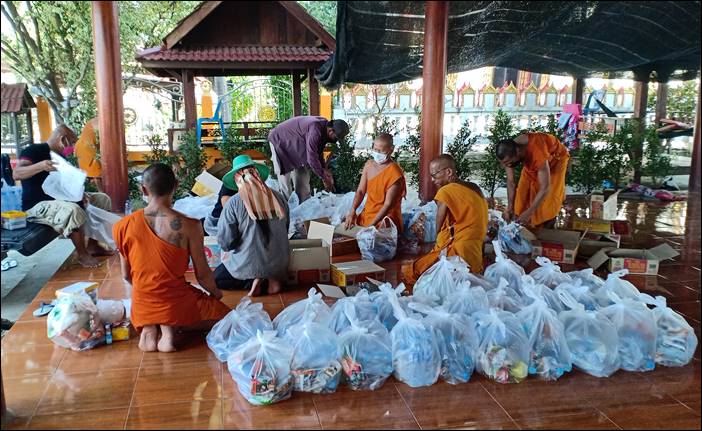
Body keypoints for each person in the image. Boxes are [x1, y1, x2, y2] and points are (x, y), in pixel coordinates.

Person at [113, 163, 229, 353]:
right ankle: (169, 329)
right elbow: (202, 274)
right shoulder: (191, 226)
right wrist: (215, 294)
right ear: (175, 186)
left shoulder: (123, 226)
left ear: (144, 189)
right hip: (176, 301)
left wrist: (151, 290)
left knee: (151, 302)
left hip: (143, 302)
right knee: (226, 316)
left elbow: (126, 276)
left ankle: (151, 327)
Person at [12, 125, 114, 268]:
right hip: (37, 206)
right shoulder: (34, 150)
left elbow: (63, 183)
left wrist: (79, 193)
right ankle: (82, 254)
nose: (72, 147)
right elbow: (16, 173)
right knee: (72, 209)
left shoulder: (60, 157)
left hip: (59, 201)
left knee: (102, 199)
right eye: (71, 142)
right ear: (62, 140)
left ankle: (93, 245)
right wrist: (40, 166)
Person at [403, 155, 488, 285]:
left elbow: (440, 224)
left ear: (448, 172)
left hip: (458, 254)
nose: (432, 180)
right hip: (475, 256)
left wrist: (435, 246)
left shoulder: (446, 191)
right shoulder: (474, 188)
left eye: (434, 175)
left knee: (409, 270)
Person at [215, 155, 290, 296]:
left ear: (237, 179)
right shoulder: (279, 197)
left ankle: (255, 280)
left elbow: (226, 241)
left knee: (217, 277)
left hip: (248, 265)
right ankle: (271, 278)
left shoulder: (234, 203)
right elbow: (285, 229)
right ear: (257, 175)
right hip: (280, 264)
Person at [268, 116, 350, 203]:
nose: (336, 141)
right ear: (330, 131)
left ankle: (303, 208)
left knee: (303, 180)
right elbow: (312, 158)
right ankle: (287, 212)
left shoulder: (325, 128)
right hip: (280, 141)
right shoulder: (316, 129)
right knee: (285, 184)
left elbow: (318, 152)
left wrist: (324, 170)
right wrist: (323, 177)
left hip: (296, 145)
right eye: (336, 138)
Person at [497, 132, 570, 228]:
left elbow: (545, 187)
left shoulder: (537, 152)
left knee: (547, 201)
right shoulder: (509, 150)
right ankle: (520, 222)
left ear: (518, 153)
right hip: (534, 162)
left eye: (508, 163)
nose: (506, 165)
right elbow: (511, 182)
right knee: (521, 196)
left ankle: (543, 224)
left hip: (555, 162)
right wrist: (510, 207)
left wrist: (529, 212)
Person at [344, 133, 406, 231]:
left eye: (381, 151)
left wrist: (370, 227)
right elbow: (360, 191)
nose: (377, 153)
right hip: (368, 214)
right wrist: (352, 211)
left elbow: (388, 204)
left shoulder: (395, 172)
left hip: (385, 218)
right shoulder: (369, 165)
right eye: (375, 149)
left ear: (391, 149)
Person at [75, 117, 103, 192]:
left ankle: (102, 193)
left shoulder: (95, 122)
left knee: (95, 174)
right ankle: (102, 194)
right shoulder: (101, 121)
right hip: (86, 149)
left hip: (85, 147)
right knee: (96, 174)